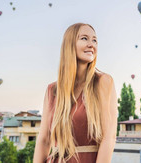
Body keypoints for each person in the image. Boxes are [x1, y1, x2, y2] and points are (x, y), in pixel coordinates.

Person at [33, 23, 118, 163]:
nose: (91, 44)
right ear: (70, 44)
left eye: (94, 40)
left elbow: (109, 137)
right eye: (84, 38)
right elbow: (44, 140)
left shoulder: (103, 82)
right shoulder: (51, 90)